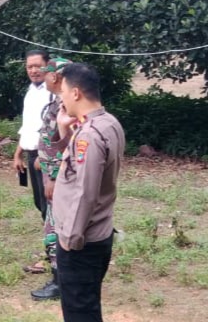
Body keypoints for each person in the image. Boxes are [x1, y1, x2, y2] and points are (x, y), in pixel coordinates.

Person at [53, 62, 125, 322]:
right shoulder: (107, 123)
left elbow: (85, 192)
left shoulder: (90, 135)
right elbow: (77, 167)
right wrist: (64, 130)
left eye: (62, 91)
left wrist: (69, 240)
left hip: (81, 240)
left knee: (80, 313)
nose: (61, 97)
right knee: (87, 306)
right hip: (98, 233)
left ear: (76, 93)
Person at [30, 56, 71, 300]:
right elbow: (49, 136)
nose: (42, 76)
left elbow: (67, 145)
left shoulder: (66, 106)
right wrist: (40, 157)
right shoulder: (56, 102)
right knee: (53, 224)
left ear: (54, 76)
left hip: (59, 178)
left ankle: (60, 282)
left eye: (45, 73)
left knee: (56, 228)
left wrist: (53, 177)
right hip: (50, 172)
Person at [14, 49, 52, 222]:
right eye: (30, 66)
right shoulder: (30, 92)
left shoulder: (53, 93)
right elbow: (28, 126)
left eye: (38, 66)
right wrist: (18, 153)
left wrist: (45, 155)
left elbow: (56, 128)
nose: (33, 70)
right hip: (32, 154)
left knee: (49, 202)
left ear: (47, 66)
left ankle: (55, 245)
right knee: (39, 201)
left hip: (47, 155)